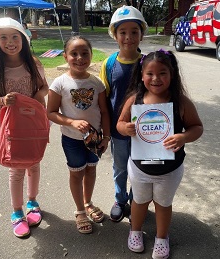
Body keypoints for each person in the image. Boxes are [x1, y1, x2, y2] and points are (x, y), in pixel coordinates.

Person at [117, 50, 203, 258]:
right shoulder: (134, 100)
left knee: (163, 204)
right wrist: (125, 128)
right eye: (150, 73)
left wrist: (183, 137)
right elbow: (119, 123)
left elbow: (197, 127)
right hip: (140, 167)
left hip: (169, 170)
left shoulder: (181, 102)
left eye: (163, 73)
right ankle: (135, 231)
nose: (156, 78)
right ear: (141, 75)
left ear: (172, 75)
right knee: (139, 201)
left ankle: (162, 237)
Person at [0, 17, 49, 238]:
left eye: (14, 36)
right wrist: (2, 100)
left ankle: (32, 201)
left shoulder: (34, 63)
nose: (10, 42)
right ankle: (17, 211)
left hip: (34, 124)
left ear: (23, 39)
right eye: (3, 37)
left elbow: (44, 88)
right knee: (16, 167)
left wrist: (36, 99)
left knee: (34, 163)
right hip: (11, 126)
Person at [47, 35, 110, 234]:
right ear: (65, 56)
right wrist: (72, 122)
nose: (80, 58)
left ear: (91, 55)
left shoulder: (97, 83)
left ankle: (88, 202)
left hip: (94, 139)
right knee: (76, 173)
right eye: (74, 53)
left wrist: (106, 136)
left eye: (85, 53)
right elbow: (51, 112)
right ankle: (80, 211)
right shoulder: (59, 83)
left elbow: (105, 111)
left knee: (91, 170)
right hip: (72, 139)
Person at [99, 5, 148, 222]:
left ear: (141, 34)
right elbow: (103, 99)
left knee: (141, 168)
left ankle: (137, 200)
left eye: (134, 32)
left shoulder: (149, 62)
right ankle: (120, 199)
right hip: (118, 132)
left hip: (145, 131)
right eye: (123, 32)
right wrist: (105, 130)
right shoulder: (109, 64)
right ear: (115, 35)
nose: (128, 37)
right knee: (120, 167)